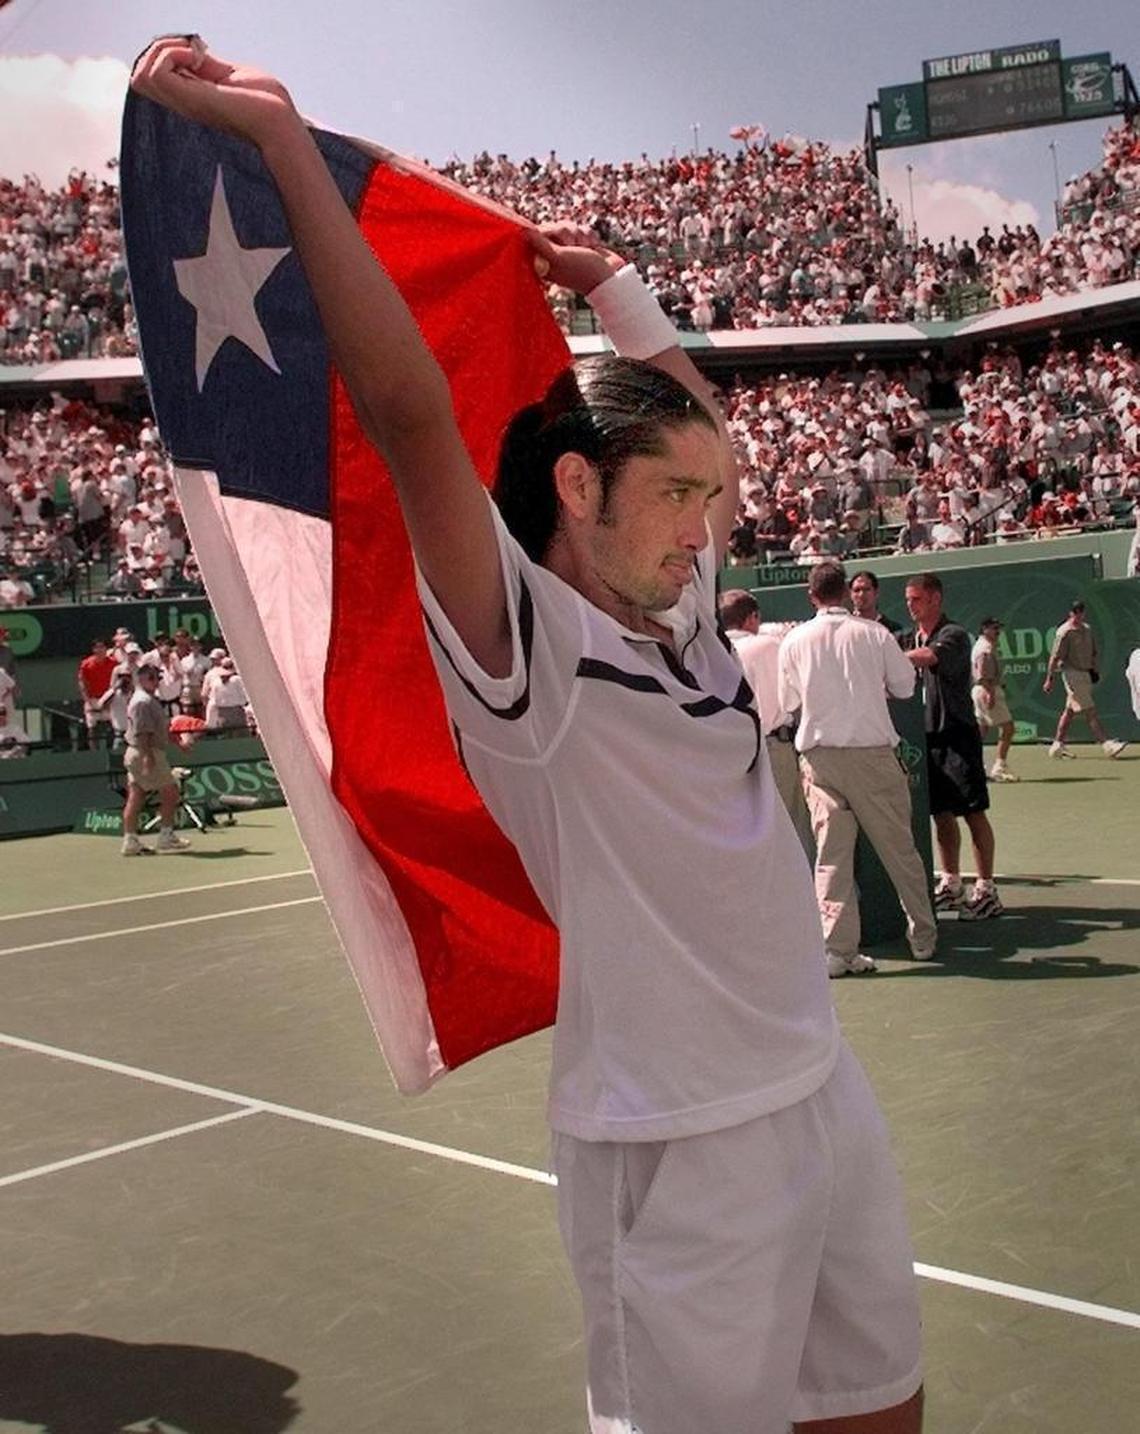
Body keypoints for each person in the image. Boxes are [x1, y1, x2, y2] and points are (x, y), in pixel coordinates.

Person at [132, 39, 924, 1434]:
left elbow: (707, 438)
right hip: (670, 1147)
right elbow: (406, 410)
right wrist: (285, 149)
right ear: (576, 482)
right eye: (675, 495)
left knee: (876, 1410)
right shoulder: (525, 653)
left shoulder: (677, 620)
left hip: (818, 1088)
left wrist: (619, 294)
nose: (707, 523)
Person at [779, 563, 937, 976]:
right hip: (870, 757)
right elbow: (905, 686)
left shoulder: (794, 641)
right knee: (900, 852)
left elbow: (789, 701)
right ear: (847, 594)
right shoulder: (875, 634)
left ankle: (838, 951)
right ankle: (922, 936)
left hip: (821, 760)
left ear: (812, 596)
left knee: (831, 859)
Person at [901, 574, 1001, 920]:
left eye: (916, 599)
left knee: (973, 812)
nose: (910, 605)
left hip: (958, 734)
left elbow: (927, 657)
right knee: (940, 813)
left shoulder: (953, 634)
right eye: (908, 599)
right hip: (928, 737)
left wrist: (891, 657)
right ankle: (952, 883)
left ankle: (987, 889)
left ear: (935, 599)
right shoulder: (912, 635)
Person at [718, 587, 811, 853]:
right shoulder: (770, 644)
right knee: (793, 828)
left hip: (731, 751)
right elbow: (796, 696)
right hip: (773, 745)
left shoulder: (714, 650)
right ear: (751, 618)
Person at [121, 659, 192, 856]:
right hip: (146, 751)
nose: (156, 681)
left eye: (157, 678)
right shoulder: (142, 702)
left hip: (141, 752)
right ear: (141, 679)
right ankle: (166, 836)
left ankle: (130, 841)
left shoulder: (149, 700)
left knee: (136, 796)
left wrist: (179, 743)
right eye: (151, 678)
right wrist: (147, 757)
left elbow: (161, 727)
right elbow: (143, 733)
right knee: (170, 792)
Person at [1044, 601, 1127, 759]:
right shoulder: (1064, 632)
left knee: (1069, 712)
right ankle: (1107, 745)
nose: (1079, 615)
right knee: (1090, 711)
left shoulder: (1087, 629)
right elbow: (1055, 657)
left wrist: (1094, 670)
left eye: (1081, 611)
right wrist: (1049, 679)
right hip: (1071, 674)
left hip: (1085, 674)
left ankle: (1057, 746)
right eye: (1076, 612)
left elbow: (1094, 652)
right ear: (1070, 613)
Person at [971, 617, 1019, 781]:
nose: (998, 631)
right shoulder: (985, 649)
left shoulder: (986, 646)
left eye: (999, 628)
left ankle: (973, 766)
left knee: (981, 730)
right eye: (994, 628)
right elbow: (984, 676)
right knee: (1008, 728)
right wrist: (990, 693)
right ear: (984, 629)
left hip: (983, 690)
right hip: (987, 690)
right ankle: (999, 767)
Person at [850, 569, 900, 635]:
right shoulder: (844, 627)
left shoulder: (892, 629)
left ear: (876, 592)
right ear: (850, 594)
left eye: (866, 589)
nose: (861, 594)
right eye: (857, 590)